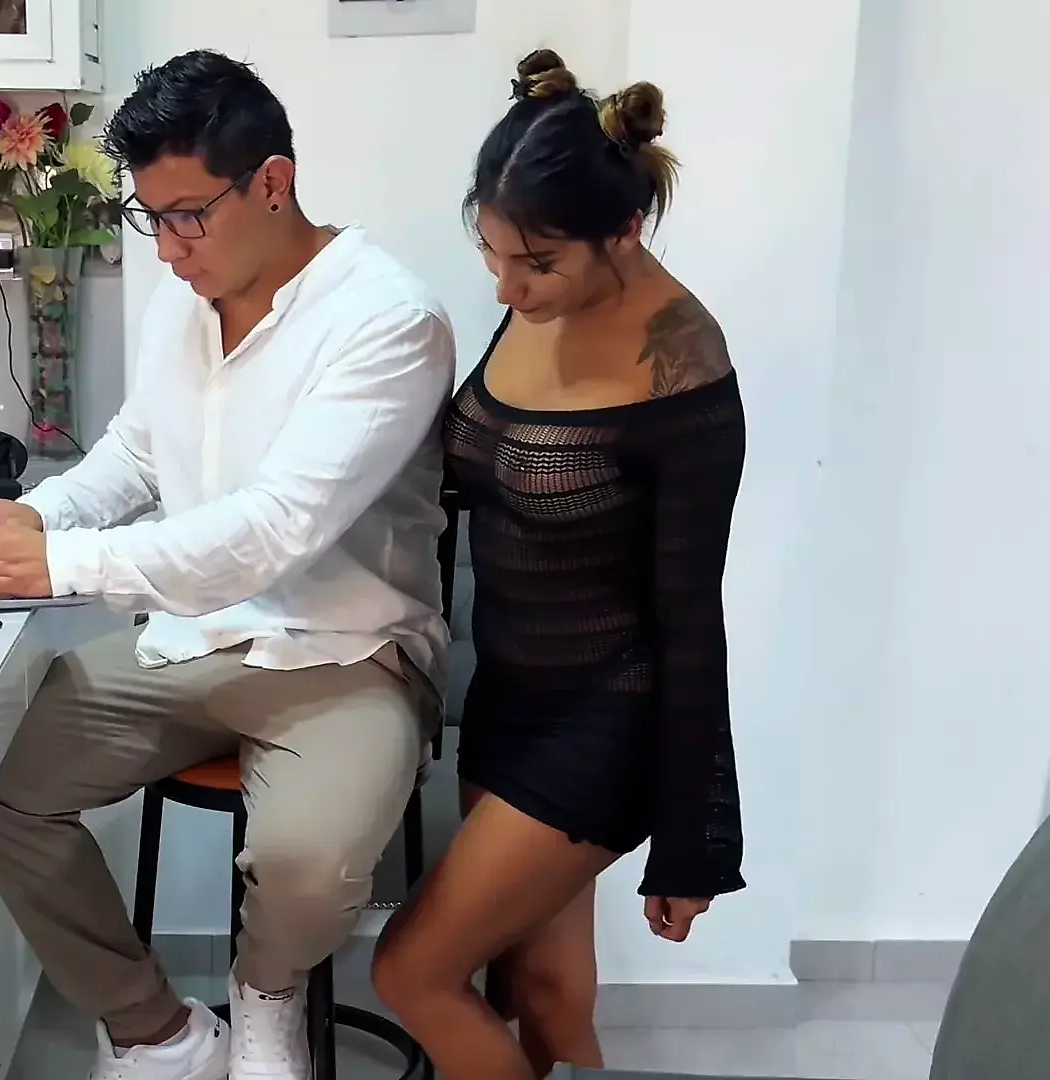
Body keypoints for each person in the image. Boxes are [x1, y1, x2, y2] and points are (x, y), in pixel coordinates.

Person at [0, 49, 455, 1080]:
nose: (168, 250)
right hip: (192, 639)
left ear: (273, 182)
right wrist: (31, 516)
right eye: (150, 217)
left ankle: (266, 999)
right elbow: (137, 451)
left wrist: (58, 563)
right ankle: (158, 1032)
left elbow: (273, 530)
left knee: (306, 864)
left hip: (346, 649)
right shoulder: (186, 296)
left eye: (188, 217)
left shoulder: (388, 320)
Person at [369, 50, 748, 1080]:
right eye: (492, 253)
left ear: (624, 230)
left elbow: (691, 618)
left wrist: (696, 837)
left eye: (535, 264)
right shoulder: (535, 299)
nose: (506, 286)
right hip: (508, 696)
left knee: (411, 972)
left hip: (608, 720)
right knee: (537, 988)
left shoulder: (684, 366)